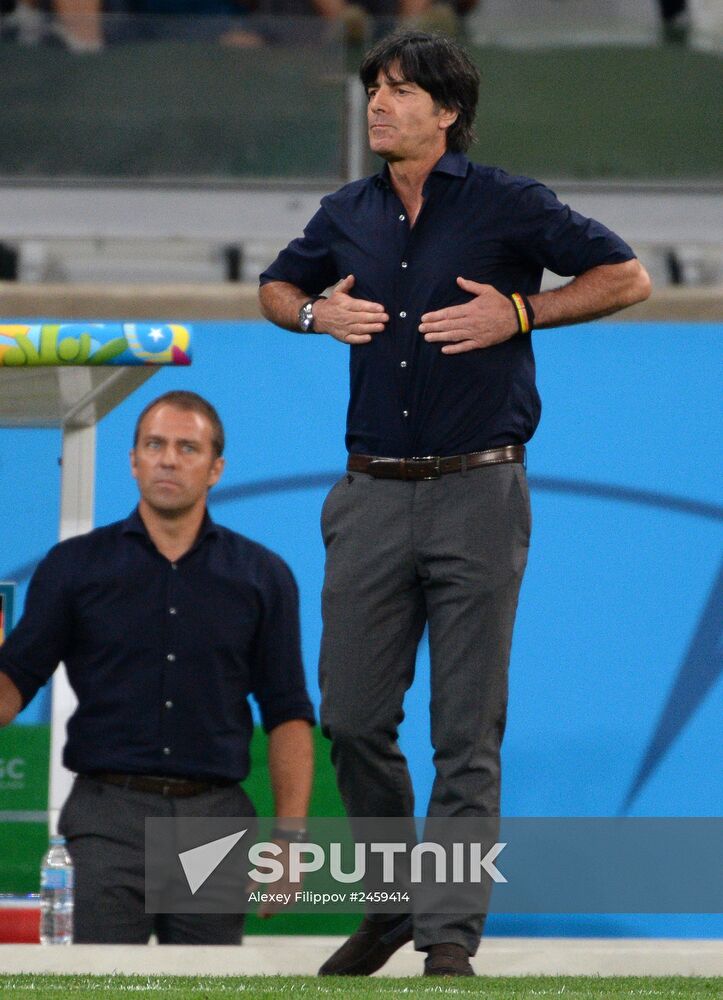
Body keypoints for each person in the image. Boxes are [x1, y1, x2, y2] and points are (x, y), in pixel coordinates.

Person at [258, 30, 651, 977]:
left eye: (399, 92)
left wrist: (520, 312)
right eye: (374, 91)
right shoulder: (344, 210)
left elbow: (627, 275)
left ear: (446, 112)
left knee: (464, 730)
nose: (378, 106)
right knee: (351, 718)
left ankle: (447, 939)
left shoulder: (508, 202)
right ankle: (392, 905)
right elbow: (275, 285)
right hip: (369, 493)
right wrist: (314, 314)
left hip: (479, 485)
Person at [0, 390, 315, 944]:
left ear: (215, 468)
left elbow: (288, 711)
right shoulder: (74, 567)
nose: (169, 458)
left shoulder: (263, 577)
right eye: (155, 444)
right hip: (106, 821)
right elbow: (15, 680)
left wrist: (289, 841)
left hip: (214, 825)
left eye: (187, 447)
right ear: (134, 460)